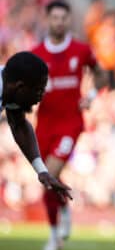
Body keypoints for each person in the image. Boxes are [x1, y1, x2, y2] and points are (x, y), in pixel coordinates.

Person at [31, 0, 108, 250]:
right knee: (49, 177)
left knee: (48, 176)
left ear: (68, 20)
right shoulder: (36, 54)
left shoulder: (81, 50)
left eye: (64, 17)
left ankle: (54, 237)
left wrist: (93, 94)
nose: (59, 22)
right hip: (44, 124)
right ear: (48, 20)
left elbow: (102, 74)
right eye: (55, 17)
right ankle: (63, 204)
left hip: (70, 123)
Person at [0, 52, 72, 203]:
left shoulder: (9, 89)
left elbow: (19, 125)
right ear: (20, 87)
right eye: (38, 90)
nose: (40, 97)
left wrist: (42, 171)